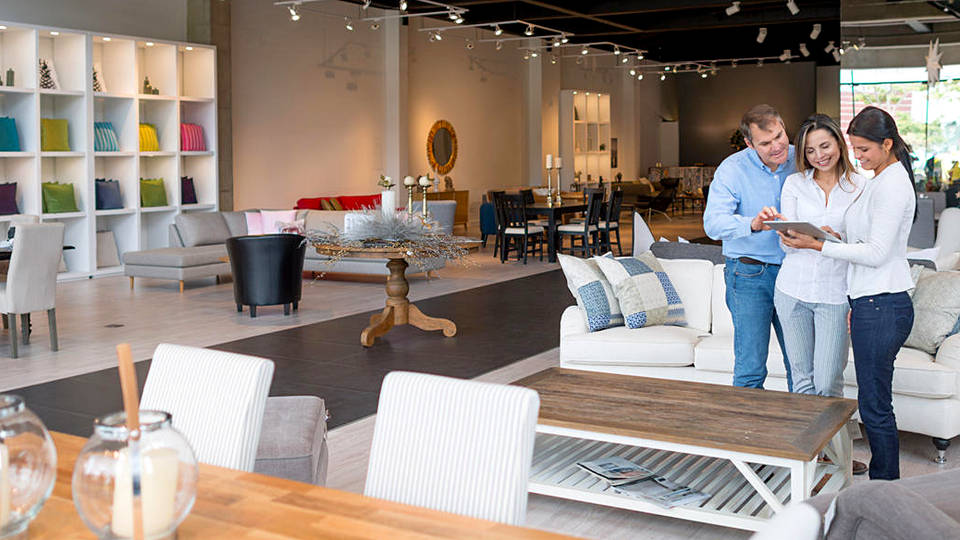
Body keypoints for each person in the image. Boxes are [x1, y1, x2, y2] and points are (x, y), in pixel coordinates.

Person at [780, 106, 916, 480]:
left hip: (882, 302)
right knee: (873, 402)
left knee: (874, 406)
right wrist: (832, 238)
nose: (859, 157)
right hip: (870, 300)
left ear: (887, 144)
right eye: (855, 149)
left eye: (864, 150)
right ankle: (875, 480)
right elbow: (866, 239)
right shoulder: (880, 179)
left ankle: (883, 485)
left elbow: (876, 253)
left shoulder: (889, 184)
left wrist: (819, 246)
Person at [703, 104, 794, 390]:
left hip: (795, 272)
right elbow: (713, 224)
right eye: (766, 143)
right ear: (749, 143)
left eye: (780, 136)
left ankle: (805, 432)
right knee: (751, 366)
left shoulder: (801, 159)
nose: (777, 147)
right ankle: (748, 433)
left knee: (801, 364)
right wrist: (752, 224)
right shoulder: (732, 169)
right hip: (749, 274)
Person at [774, 114, 862, 399]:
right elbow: (787, 246)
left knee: (827, 383)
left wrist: (831, 240)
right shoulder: (794, 184)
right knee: (802, 382)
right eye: (810, 151)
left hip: (834, 295)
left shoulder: (860, 187)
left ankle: (836, 445)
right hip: (791, 290)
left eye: (824, 146)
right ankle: (811, 446)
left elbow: (864, 244)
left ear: (839, 142)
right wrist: (790, 237)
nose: (819, 156)